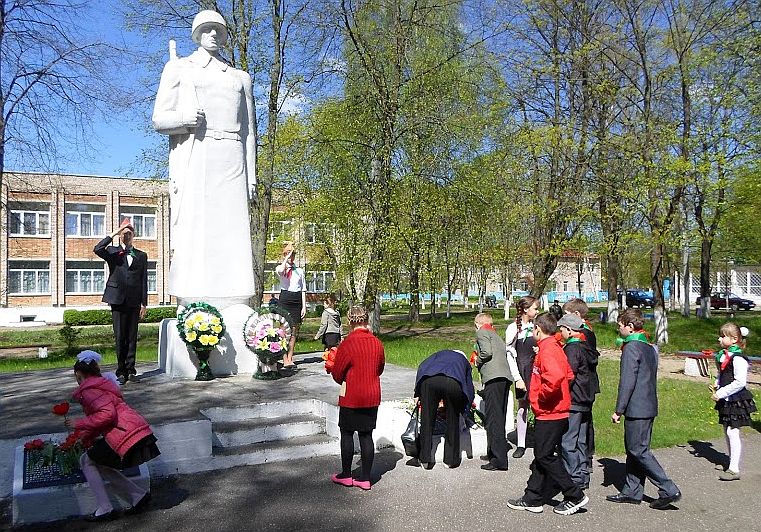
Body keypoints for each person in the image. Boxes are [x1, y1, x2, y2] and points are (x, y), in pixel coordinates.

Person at [152, 9, 256, 308]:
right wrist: (184, 118)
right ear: (197, 33)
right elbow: (160, 119)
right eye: (207, 29)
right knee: (199, 226)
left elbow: (249, 132)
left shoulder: (239, 77)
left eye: (218, 30)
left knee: (231, 227)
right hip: (199, 152)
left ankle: (235, 295)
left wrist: (251, 174)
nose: (213, 34)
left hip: (232, 154)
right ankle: (195, 293)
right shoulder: (180, 68)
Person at [507, 313, 589, 516]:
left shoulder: (549, 350)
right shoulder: (553, 347)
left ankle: (574, 494)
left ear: (537, 330)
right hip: (553, 411)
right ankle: (532, 498)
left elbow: (558, 377)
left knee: (544, 456)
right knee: (541, 457)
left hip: (551, 413)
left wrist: (541, 398)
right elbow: (568, 375)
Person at [65, 350, 160, 521]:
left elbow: (107, 414)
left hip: (124, 433)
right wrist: (85, 437)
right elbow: (101, 419)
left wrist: (78, 423)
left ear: (79, 375)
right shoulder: (100, 385)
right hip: (133, 430)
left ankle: (105, 507)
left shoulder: (88, 390)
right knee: (97, 463)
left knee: (86, 461)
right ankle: (138, 496)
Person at [606, 308, 681, 509]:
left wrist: (618, 410)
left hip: (637, 407)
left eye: (620, 326)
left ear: (630, 327)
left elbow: (627, 382)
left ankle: (668, 488)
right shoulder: (649, 347)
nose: (618, 329)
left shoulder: (631, 348)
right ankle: (632, 490)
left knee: (638, 450)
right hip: (648, 404)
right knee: (634, 449)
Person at [330, 306, 385, 490]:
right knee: (366, 434)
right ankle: (366, 478)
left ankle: (346, 474)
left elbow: (338, 373)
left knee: (346, 433)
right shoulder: (377, 343)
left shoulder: (347, 344)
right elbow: (380, 369)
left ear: (349, 321)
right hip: (371, 395)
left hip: (352, 396)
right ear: (366, 320)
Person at [94, 218, 148, 385]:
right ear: (119, 236)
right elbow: (97, 248)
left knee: (132, 337)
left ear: (134, 236)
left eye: (129, 233)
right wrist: (114, 232)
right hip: (117, 300)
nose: (126, 236)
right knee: (120, 337)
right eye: (123, 234)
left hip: (134, 301)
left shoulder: (141, 255)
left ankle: (131, 370)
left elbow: (143, 280)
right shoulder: (113, 252)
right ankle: (121, 371)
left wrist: (144, 303)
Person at [474, 313, 522, 471]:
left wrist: (477, 361)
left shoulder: (482, 332)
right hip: (504, 378)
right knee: (499, 417)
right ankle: (494, 453)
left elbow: (486, 353)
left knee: (493, 419)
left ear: (479, 324)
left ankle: (498, 460)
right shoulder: (495, 334)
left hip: (493, 379)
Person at [413, 349, 475, 469]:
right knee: (452, 418)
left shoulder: (436, 355)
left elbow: (422, 367)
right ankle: (450, 460)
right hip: (452, 382)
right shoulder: (463, 361)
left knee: (427, 420)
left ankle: (425, 460)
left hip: (429, 381)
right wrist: (464, 410)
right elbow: (469, 389)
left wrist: (417, 392)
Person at [710, 323, 757, 481]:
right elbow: (722, 374)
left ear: (734, 339)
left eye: (723, 336)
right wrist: (717, 383)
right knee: (726, 430)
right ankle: (731, 462)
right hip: (726, 399)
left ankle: (734, 469)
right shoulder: (724, 355)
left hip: (736, 399)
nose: (719, 339)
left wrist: (721, 392)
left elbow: (739, 382)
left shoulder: (738, 358)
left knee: (732, 431)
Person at [562, 297, 601, 480]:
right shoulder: (584, 335)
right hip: (586, 389)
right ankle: (583, 468)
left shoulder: (579, 340)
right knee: (582, 433)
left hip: (578, 391)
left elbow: (571, 369)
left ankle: (577, 474)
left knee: (573, 435)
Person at [505, 295, 539, 458]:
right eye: (535, 308)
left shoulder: (537, 327)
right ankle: (521, 443)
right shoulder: (513, 329)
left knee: (540, 406)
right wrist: (517, 378)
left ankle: (542, 441)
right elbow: (510, 355)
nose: (537, 311)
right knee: (523, 407)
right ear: (526, 310)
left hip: (537, 372)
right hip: (523, 372)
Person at [275, 242, 306, 369]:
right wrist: (286, 259)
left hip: (296, 299)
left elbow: (303, 288)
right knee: (283, 330)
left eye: (293, 255)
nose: (292, 257)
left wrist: (304, 306)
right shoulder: (280, 268)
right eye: (289, 255)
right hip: (285, 298)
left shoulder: (299, 271)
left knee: (293, 330)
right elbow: (281, 271)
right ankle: (283, 358)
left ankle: (290, 357)